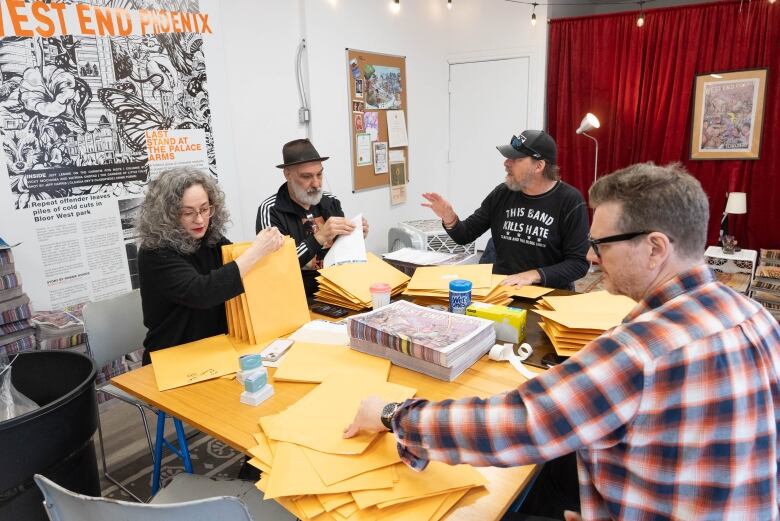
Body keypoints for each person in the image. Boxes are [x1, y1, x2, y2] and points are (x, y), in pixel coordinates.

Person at [346, 162, 780, 520]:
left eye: (602, 243)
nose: (591, 256)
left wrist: (391, 414)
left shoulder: (643, 350)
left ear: (655, 248)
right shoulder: (756, 317)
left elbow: (518, 423)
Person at [138, 167, 284, 365]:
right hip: (174, 356)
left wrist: (270, 249)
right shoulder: (154, 252)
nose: (199, 219)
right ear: (167, 214)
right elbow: (202, 292)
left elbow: (239, 268)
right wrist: (256, 251)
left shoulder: (210, 238)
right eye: (188, 212)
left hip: (215, 349)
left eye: (205, 209)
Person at [422, 130, 588, 290]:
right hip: (503, 290)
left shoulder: (570, 201)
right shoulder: (503, 193)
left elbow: (579, 263)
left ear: (539, 166)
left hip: (548, 295)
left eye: (515, 159)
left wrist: (533, 275)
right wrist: (449, 218)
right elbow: (465, 235)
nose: (506, 162)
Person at [256, 139, 368, 299]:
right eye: (307, 176)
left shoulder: (330, 202)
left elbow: (342, 254)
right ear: (287, 174)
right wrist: (320, 237)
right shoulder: (271, 210)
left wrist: (355, 236)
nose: (316, 183)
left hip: (337, 291)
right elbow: (278, 266)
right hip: (296, 297)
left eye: (319, 174)